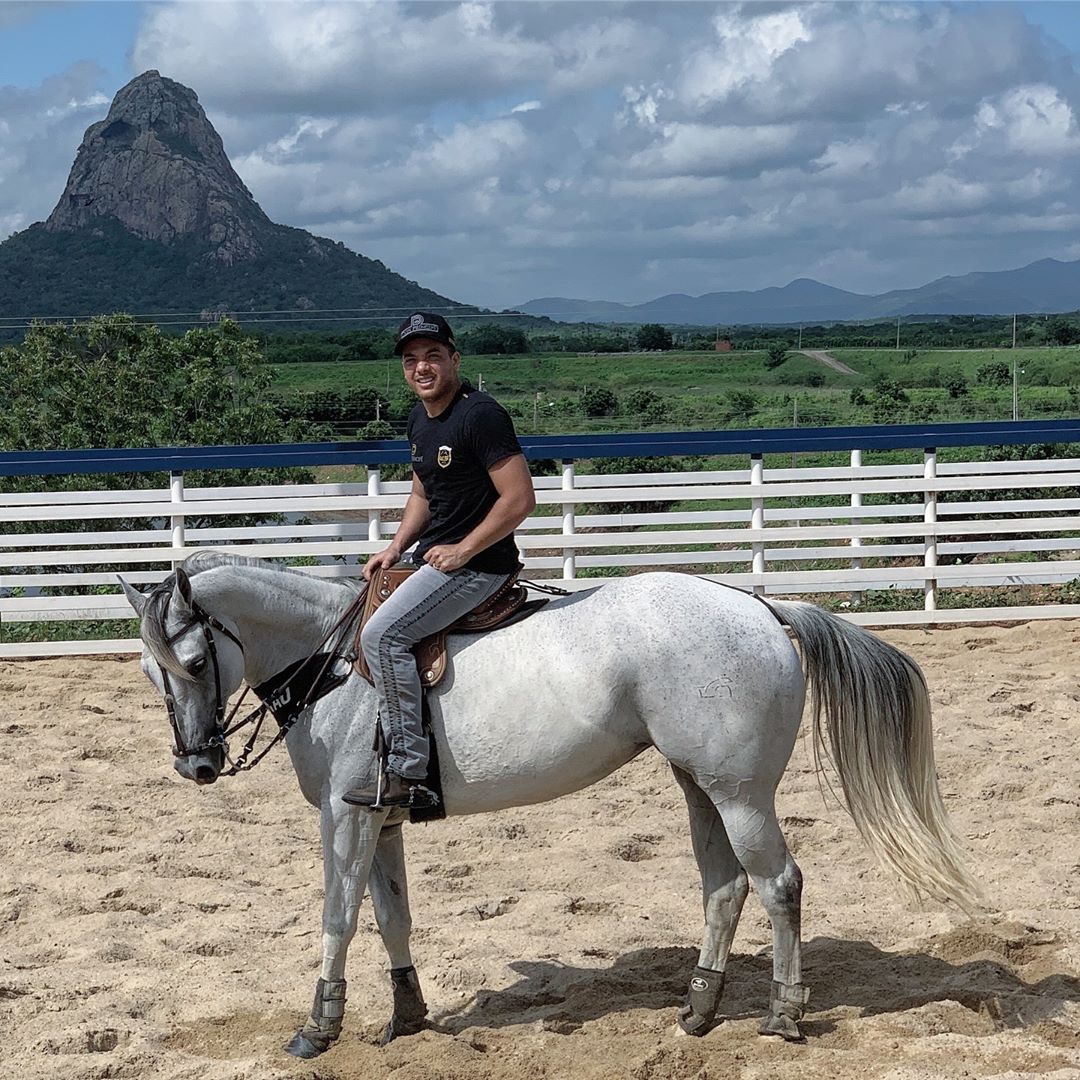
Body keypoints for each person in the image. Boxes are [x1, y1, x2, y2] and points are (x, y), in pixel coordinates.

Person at [343, 312, 536, 809]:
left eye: (432, 356)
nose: (421, 367)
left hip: (478, 566)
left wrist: (463, 550)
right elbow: (424, 490)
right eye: (411, 360)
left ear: (455, 358)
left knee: (382, 635)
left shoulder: (480, 415)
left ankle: (409, 771)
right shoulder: (419, 419)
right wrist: (394, 545)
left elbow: (518, 500)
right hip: (435, 559)